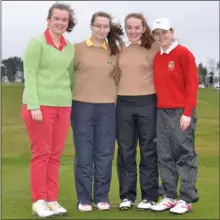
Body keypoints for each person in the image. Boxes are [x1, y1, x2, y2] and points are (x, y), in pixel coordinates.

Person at [21, 3, 76, 218]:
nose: (61, 23)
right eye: (57, 19)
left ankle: (52, 199)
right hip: (39, 106)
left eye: (64, 20)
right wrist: (34, 105)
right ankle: (39, 201)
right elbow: (30, 74)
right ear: (49, 20)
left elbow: (70, 76)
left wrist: (66, 96)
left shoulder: (69, 46)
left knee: (55, 155)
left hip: (63, 105)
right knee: (41, 154)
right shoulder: (37, 43)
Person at [71, 11, 123, 212]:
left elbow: (118, 78)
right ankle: (84, 198)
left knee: (104, 154)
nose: (102, 30)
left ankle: (101, 197)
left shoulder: (114, 51)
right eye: (98, 26)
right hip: (81, 106)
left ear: (109, 29)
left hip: (107, 107)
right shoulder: (77, 49)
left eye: (105, 26)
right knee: (84, 154)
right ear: (91, 26)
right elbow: (68, 76)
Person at [150, 17, 199, 215]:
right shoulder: (158, 57)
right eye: (157, 33)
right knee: (165, 155)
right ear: (154, 36)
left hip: (181, 112)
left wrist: (187, 112)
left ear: (172, 31)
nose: (161, 36)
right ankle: (169, 195)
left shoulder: (183, 53)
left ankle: (186, 198)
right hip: (162, 111)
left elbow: (192, 84)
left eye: (164, 32)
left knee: (184, 154)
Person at [116, 13, 159, 211]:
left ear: (143, 28)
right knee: (126, 150)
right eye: (129, 27)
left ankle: (150, 196)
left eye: (136, 27)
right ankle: (127, 196)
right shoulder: (119, 48)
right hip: (123, 103)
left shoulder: (155, 47)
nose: (133, 31)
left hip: (148, 103)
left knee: (149, 150)